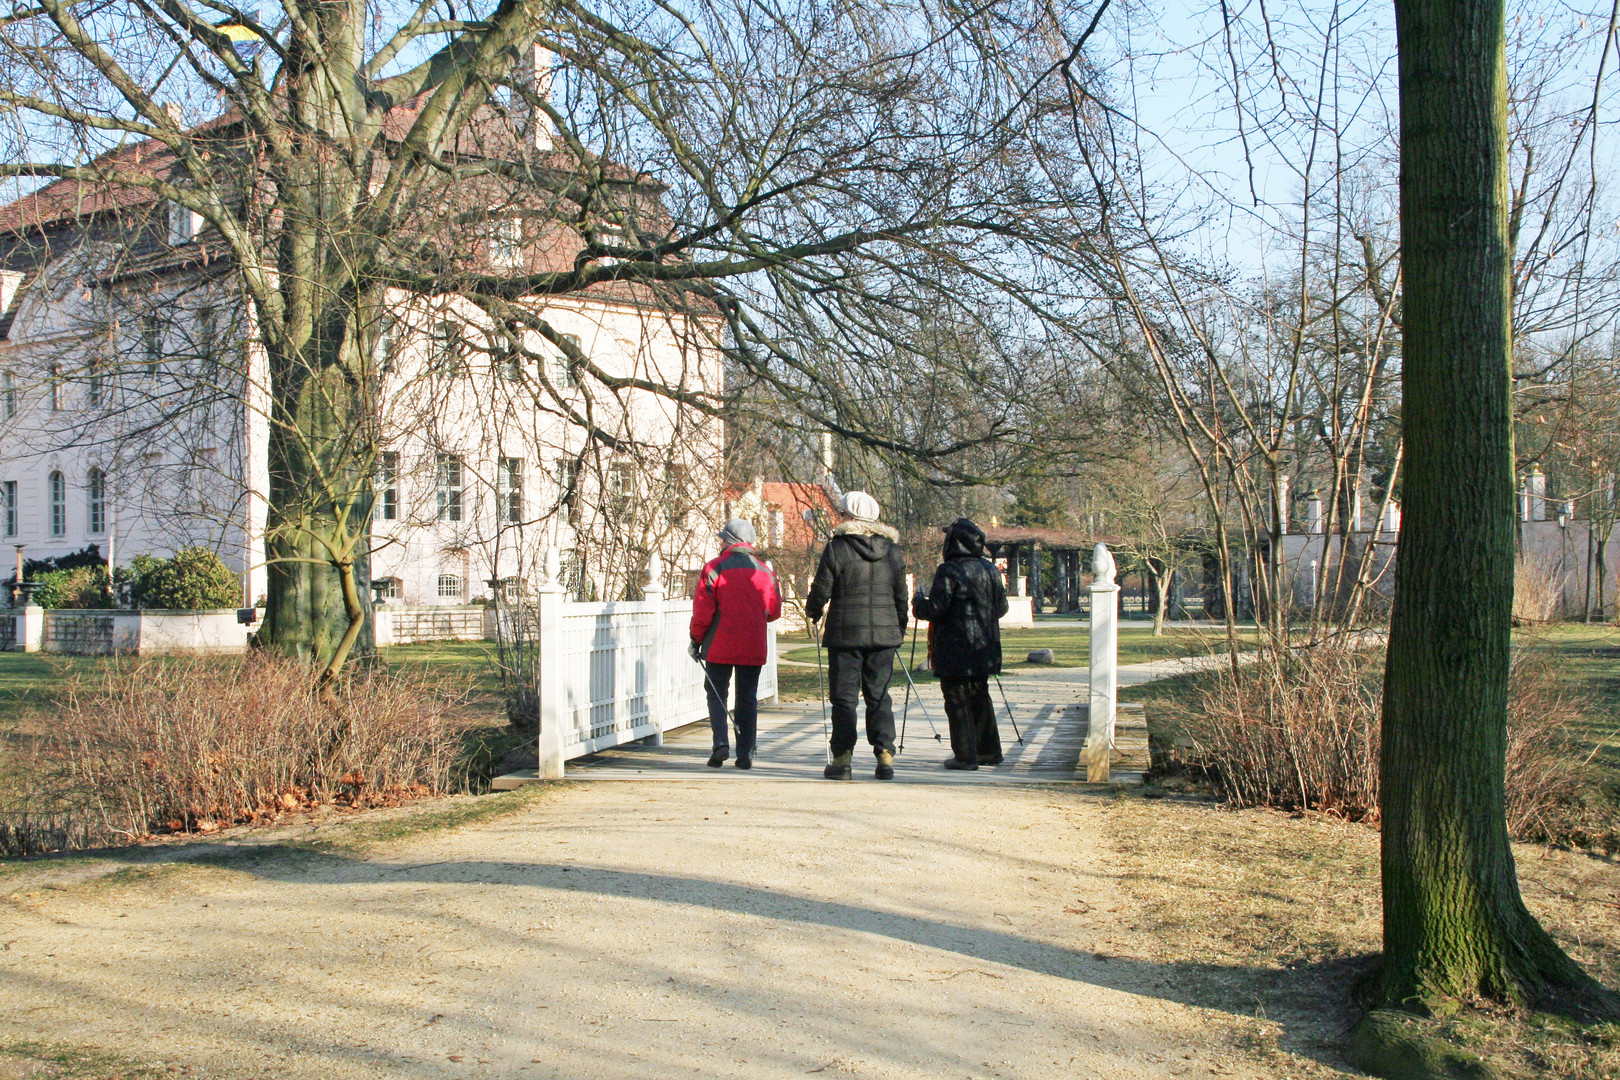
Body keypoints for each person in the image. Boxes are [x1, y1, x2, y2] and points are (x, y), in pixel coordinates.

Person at [805, 491, 908, 780]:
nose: (838, 518)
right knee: (879, 696)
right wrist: (900, 625)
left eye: (841, 513)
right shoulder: (892, 550)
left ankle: (842, 759)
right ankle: (885, 756)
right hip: (884, 634)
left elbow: (822, 587)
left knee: (844, 698)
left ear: (851, 517)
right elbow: (901, 594)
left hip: (845, 634)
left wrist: (812, 611)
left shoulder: (838, 548)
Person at [912, 517, 1008, 770]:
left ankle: (965, 755)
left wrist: (919, 602)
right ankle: (988, 750)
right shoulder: (990, 569)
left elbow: (935, 609)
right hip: (984, 647)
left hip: (956, 648)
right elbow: (1002, 608)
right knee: (979, 697)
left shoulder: (950, 570)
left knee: (957, 700)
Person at [690, 518, 782, 769]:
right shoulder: (765, 571)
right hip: (753, 644)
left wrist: (695, 639)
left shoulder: (713, 568)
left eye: (722, 537)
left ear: (729, 540)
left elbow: (703, 611)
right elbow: (773, 612)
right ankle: (746, 751)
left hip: (719, 643)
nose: (720, 541)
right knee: (747, 697)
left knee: (717, 694)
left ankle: (720, 743)